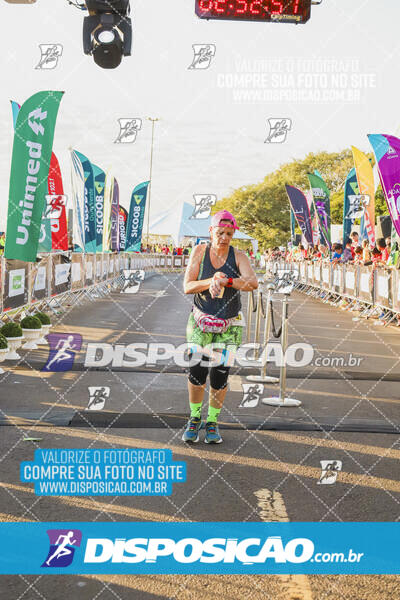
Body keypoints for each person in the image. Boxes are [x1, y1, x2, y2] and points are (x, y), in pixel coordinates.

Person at [183, 210, 258, 444]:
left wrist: (226, 280)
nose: (224, 238)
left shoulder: (239, 256)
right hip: (200, 320)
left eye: (228, 233)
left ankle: (213, 421)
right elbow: (188, 286)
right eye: (220, 233)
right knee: (197, 371)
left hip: (229, 322)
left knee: (219, 374)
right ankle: (195, 419)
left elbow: (252, 282)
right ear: (211, 232)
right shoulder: (199, 252)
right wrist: (212, 279)